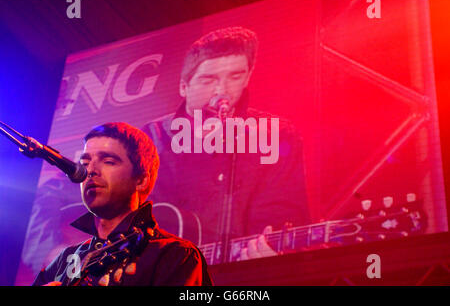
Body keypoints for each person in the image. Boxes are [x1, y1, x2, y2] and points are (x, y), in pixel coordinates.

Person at [142, 27, 310, 264]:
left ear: (248, 76)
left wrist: (273, 254)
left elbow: (283, 212)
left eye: (235, 77)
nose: (222, 92)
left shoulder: (277, 134)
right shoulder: (149, 138)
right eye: (208, 79)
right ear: (184, 86)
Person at [32, 122, 212, 286]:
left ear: (141, 180)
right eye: (85, 163)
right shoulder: (62, 263)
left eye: (109, 161)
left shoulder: (175, 256)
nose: (91, 171)